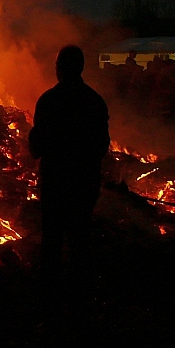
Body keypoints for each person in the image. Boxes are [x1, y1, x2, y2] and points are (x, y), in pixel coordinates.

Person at [29, 45, 110, 293]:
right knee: (80, 239)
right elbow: (102, 144)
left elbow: (36, 146)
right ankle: (80, 297)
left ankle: (50, 300)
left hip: (55, 183)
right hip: (85, 183)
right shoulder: (94, 101)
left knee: (51, 242)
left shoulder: (49, 100)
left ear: (59, 69)